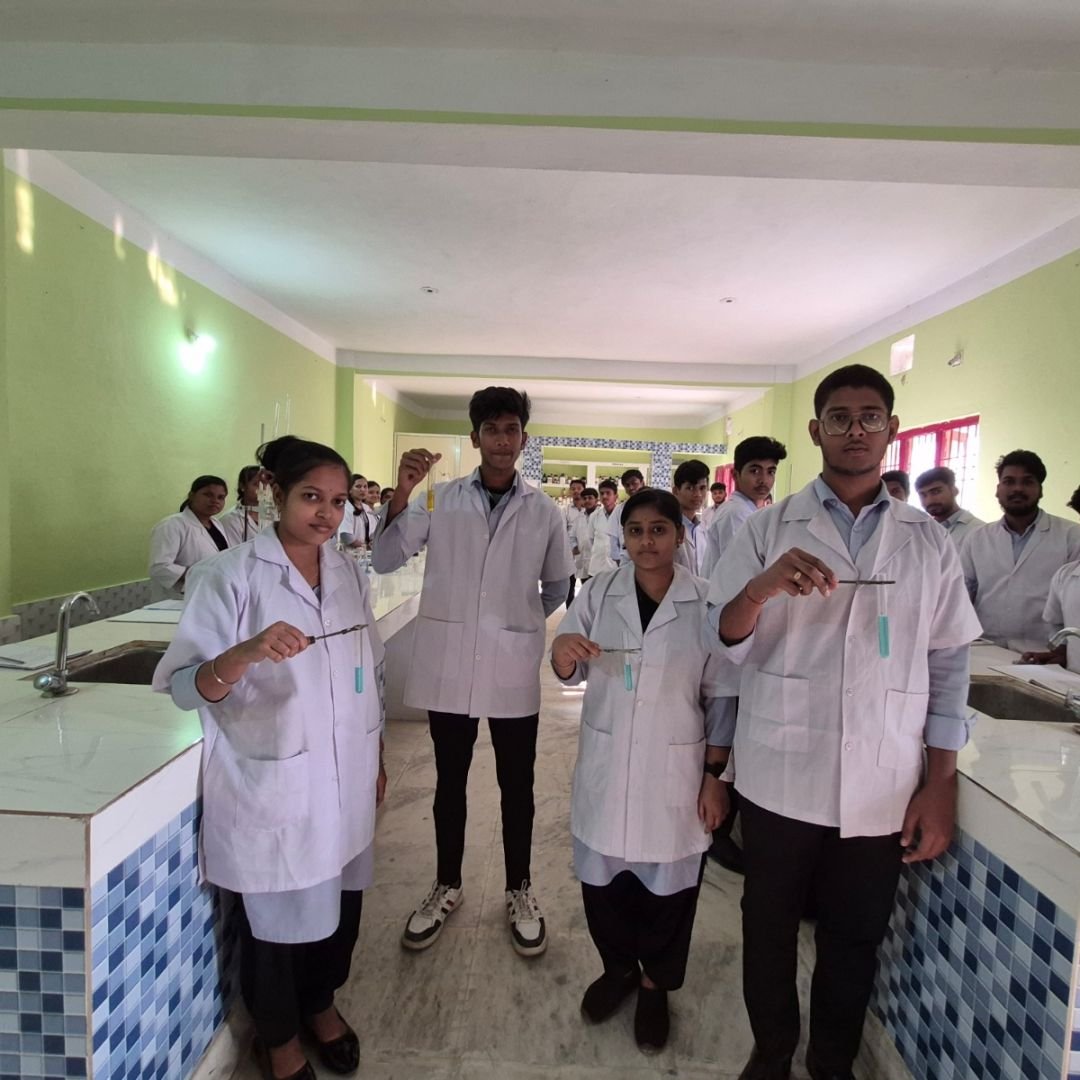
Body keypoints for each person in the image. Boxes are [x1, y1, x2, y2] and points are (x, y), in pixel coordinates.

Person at [709, 363, 981, 1080]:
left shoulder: (929, 542)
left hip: (881, 782)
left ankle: (831, 1063)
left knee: (855, 937)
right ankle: (772, 1052)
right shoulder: (767, 529)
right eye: (839, 417)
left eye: (869, 417)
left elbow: (949, 664)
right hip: (780, 773)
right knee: (768, 929)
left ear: (892, 429)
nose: (855, 430)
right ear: (815, 429)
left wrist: (941, 781)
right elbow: (721, 640)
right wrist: (760, 589)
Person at [153, 436, 386, 1080]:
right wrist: (243, 653)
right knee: (277, 920)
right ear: (275, 494)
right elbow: (184, 687)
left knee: (342, 903)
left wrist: (378, 753)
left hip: (346, 772)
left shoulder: (346, 571)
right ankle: (278, 1039)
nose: (327, 514)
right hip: (275, 775)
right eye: (311, 497)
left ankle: (321, 1004)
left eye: (337, 501)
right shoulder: (228, 575)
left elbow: (369, 667)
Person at [371, 387, 574, 958]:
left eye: (511, 429)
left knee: (518, 785)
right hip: (450, 664)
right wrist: (402, 492)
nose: (502, 440)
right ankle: (447, 884)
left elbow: (557, 586)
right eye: (491, 430)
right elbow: (385, 558)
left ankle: (520, 889)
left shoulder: (545, 511)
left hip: (510, 665)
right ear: (475, 437)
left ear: (524, 438)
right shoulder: (439, 499)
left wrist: (516, 623)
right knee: (449, 781)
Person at [551, 489, 733, 1054]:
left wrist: (715, 778)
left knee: (669, 890)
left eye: (659, 529)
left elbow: (722, 698)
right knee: (602, 883)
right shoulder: (599, 591)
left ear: (679, 535)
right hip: (607, 765)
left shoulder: (707, 602)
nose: (646, 541)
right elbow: (565, 662)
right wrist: (563, 653)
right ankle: (619, 969)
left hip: (676, 771)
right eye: (635, 530)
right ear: (623, 537)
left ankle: (656, 984)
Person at [960, 450, 1080, 653]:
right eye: (1009, 481)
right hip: (985, 647)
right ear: (998, 489)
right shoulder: (977, 538)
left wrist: (1062, 651)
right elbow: (962, 595)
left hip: (1046, 652)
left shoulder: (1072, 535)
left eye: (1027, 482)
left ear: (1040, 490)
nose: (1017, 488)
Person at [701, 438, 787, 580]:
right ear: (735, 475)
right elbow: (739, 573)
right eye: (755, 471)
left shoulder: (750, 512)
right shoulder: (736, 513)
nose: (763, 480)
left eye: (770, 472)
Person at [149, 475, 230, 600]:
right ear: (191, 495)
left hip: (210, 594)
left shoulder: (216, 524)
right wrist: (198, 573)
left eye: (221, 497)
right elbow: (159, 567)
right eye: (208, 495)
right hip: (178, 598)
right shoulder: (171, 525)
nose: (215, 500)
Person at [913, 467, 983, 548]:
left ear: (954, 490)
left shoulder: (978, 531)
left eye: (936, 492)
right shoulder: (921, 530)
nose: (929, 500)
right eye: (923, 495)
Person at [671, 459, 710, 576]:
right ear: (676, 491)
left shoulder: (703, 528)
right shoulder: (669, 527)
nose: (698, 494)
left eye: (702, 488)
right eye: (690, 488)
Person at [218, 465, 265, 547]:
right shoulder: (230, 520)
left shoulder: (274, 515)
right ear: (242, 486)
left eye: (266, 484)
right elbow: (234, 553)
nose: (263, 488)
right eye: (256, 484)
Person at [611, 468, 647, 565]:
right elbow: (613, 537)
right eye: (627, 485)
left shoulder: (654, 506)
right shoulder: (620, 509)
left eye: (634, 483)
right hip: (626, 558)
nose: (631, 487)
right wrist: (617, 559)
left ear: (642, 482)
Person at [588, 480, 621, 578]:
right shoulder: (594, 516)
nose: (604, 496)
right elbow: (591, 539)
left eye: (608, 493)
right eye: (602, 493)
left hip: (616, 567)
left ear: (616, 496)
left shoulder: (622, 515)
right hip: (597, 567)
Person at [564, 478, 587, 606]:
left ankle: (586, 613)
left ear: (584, 490)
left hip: (586, 554)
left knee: (587, 586)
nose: (576, 491)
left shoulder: (590, 509)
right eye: (573, 489)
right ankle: (570, 612)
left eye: (579, 488)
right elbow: (562, 531)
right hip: (570, 554)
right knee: (569, 586)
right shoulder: (565, 510)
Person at [339, 474, 377, 549]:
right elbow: (346, 535)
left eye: (365, 487)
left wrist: (373, 541)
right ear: (349, 490)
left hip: (363, 551)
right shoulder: (345, 507)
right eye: (358, 486)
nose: (362, 490)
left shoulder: (366, 508)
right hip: (348, 551)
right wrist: (365, 546)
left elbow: (373, 531)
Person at [572, 487, 599, 586]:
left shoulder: (600, 516)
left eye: (590, 498)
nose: (587, 500)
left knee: (597, 589)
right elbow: (572, 535)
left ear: (596, 500)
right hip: (582, 558)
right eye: (584, 498)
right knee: (585, 589)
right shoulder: (579, 517)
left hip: (598, 560)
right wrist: (574, 546)